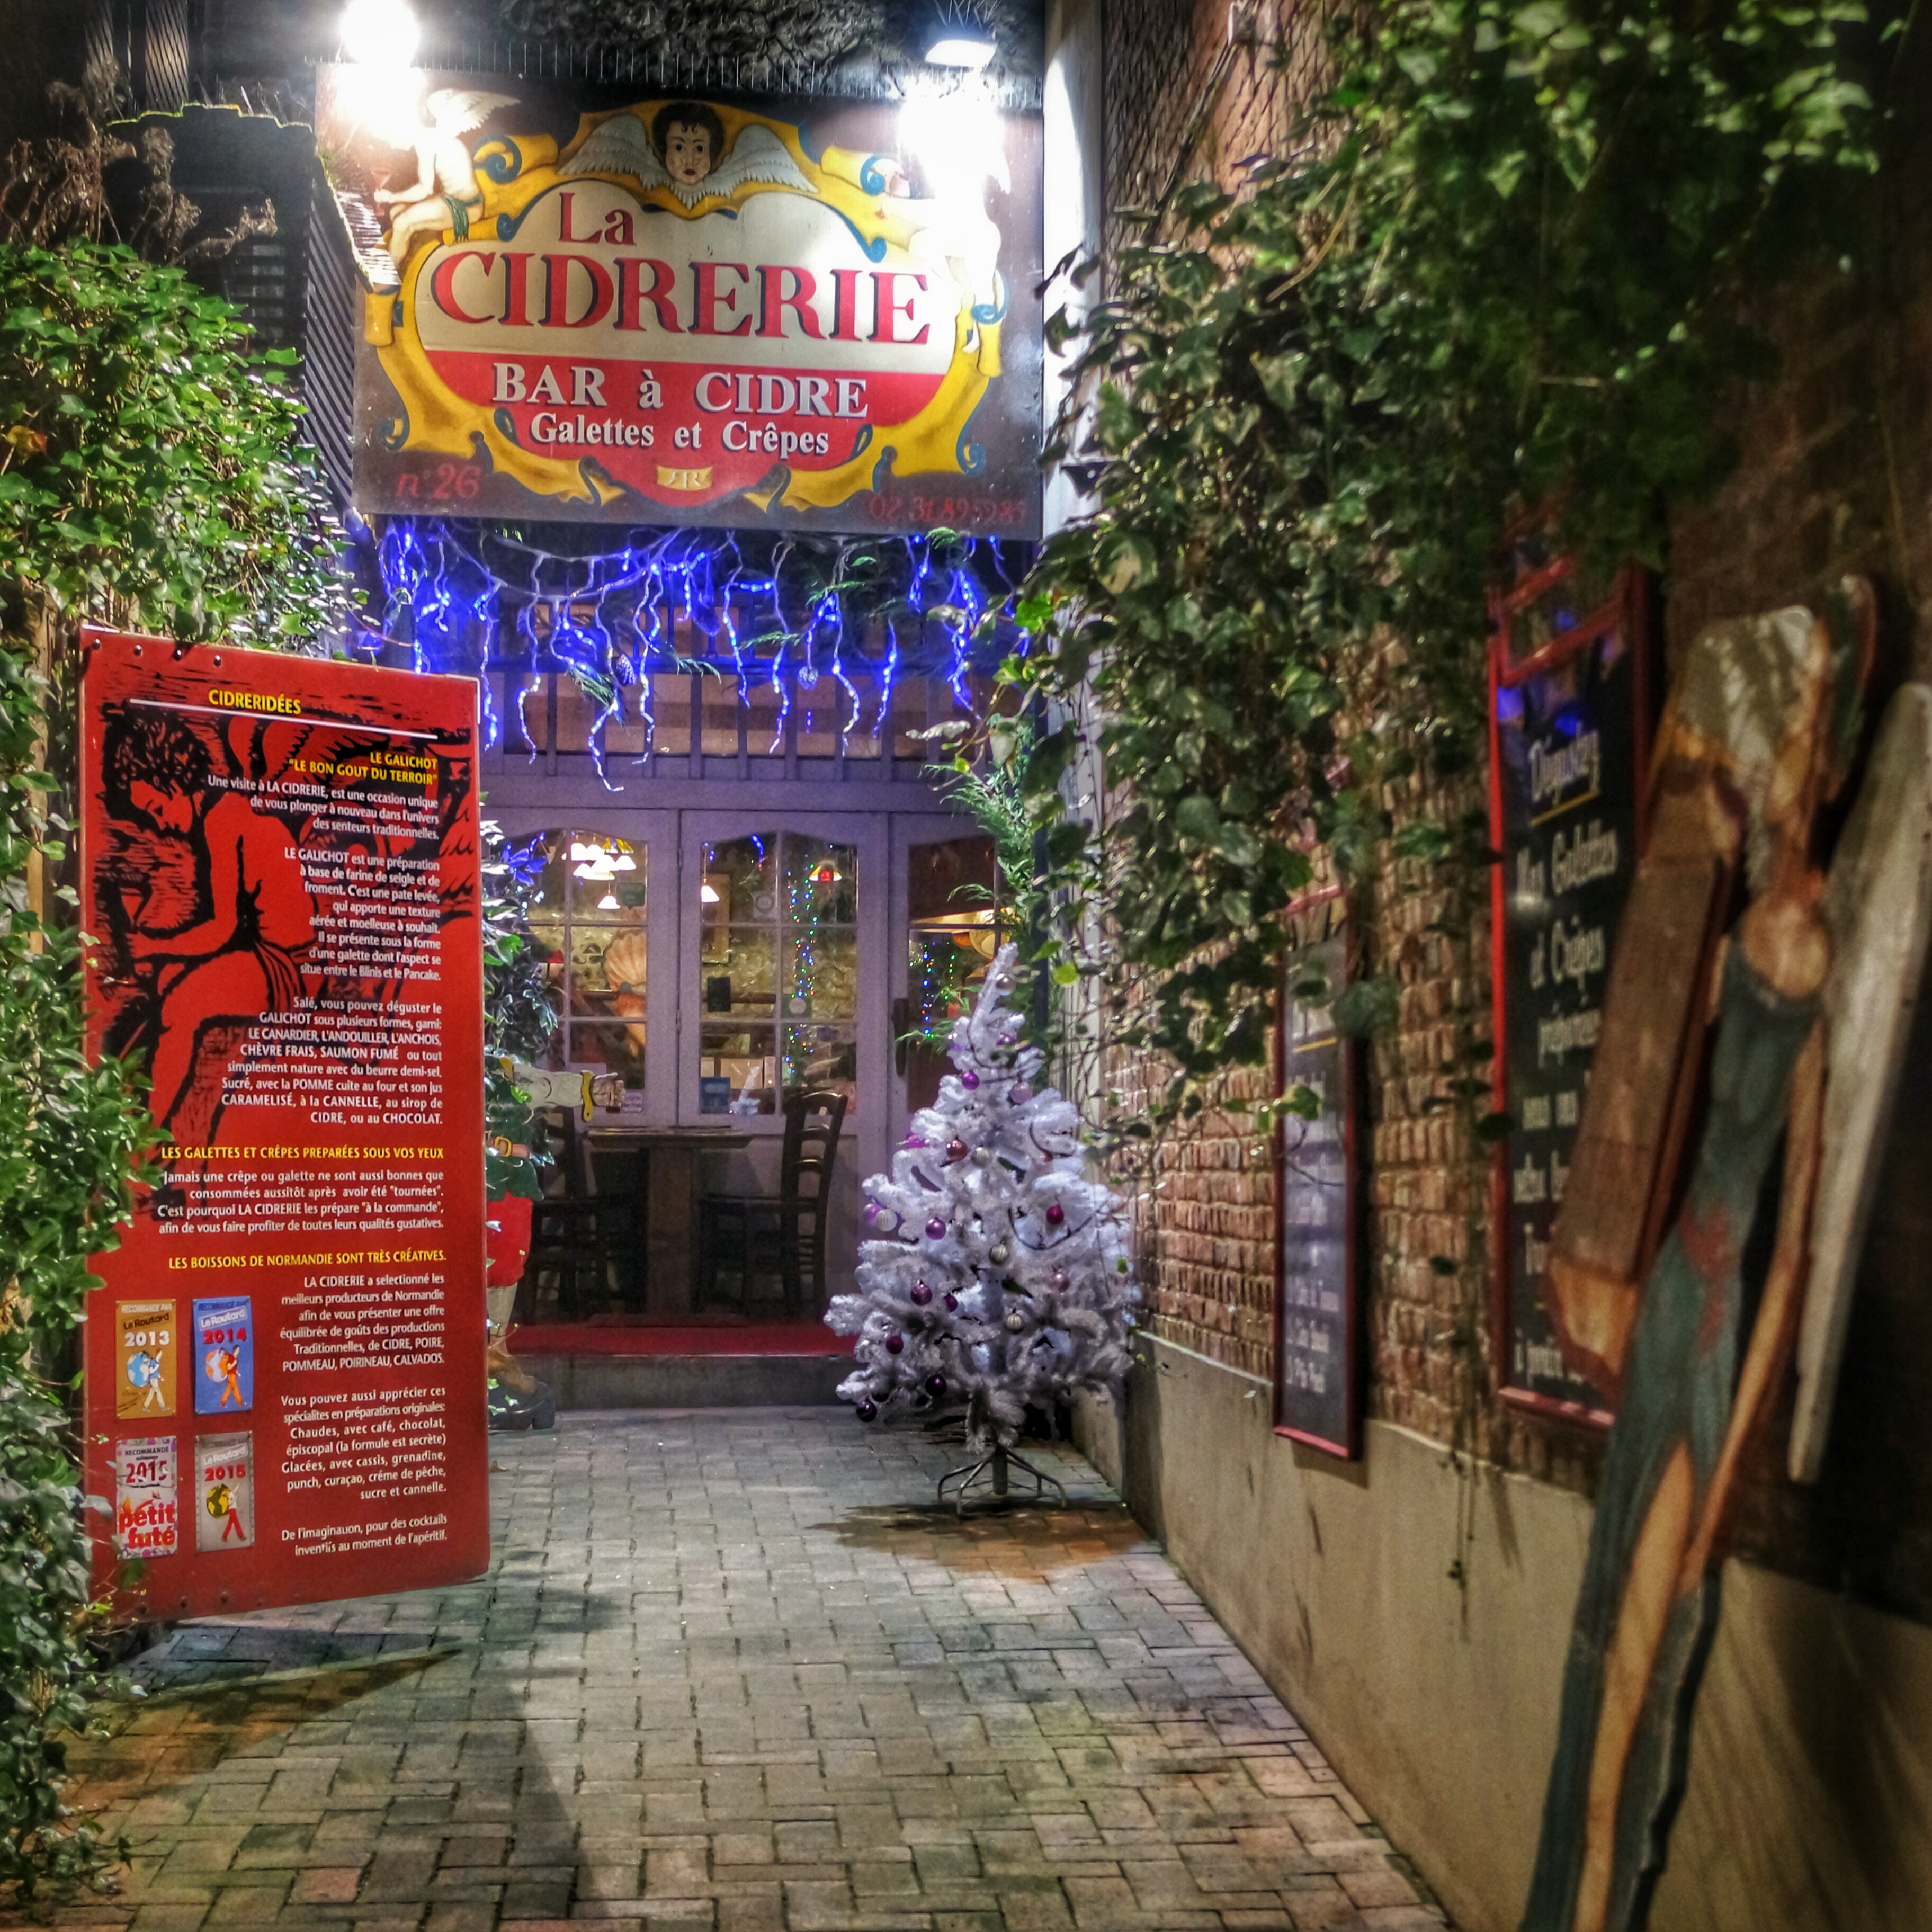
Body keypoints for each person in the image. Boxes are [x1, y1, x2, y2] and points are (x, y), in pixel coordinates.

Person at [1523, 585, 1872, 1932]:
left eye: (1791, 730)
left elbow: (1797, 1226)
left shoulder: (1801, 948)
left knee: (1646, 1645)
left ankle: (1598, 1901)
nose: (1772, 763)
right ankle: (1570, 1900)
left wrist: (1736, 1469)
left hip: (1715, 1307)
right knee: (1605, 1630)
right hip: (1674, 1289)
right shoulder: (1733, 928)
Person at [102, 708, 315, 1144]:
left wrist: (151, 946)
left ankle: (149, 1136)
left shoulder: (223, 818)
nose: (160, 822)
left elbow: (220, 929)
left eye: (157, 808)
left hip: (287, 966)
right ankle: (147, 1110)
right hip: (265, 949)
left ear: (176, 780)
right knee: (169, 982)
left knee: (181, 1005)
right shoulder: (223, 809)